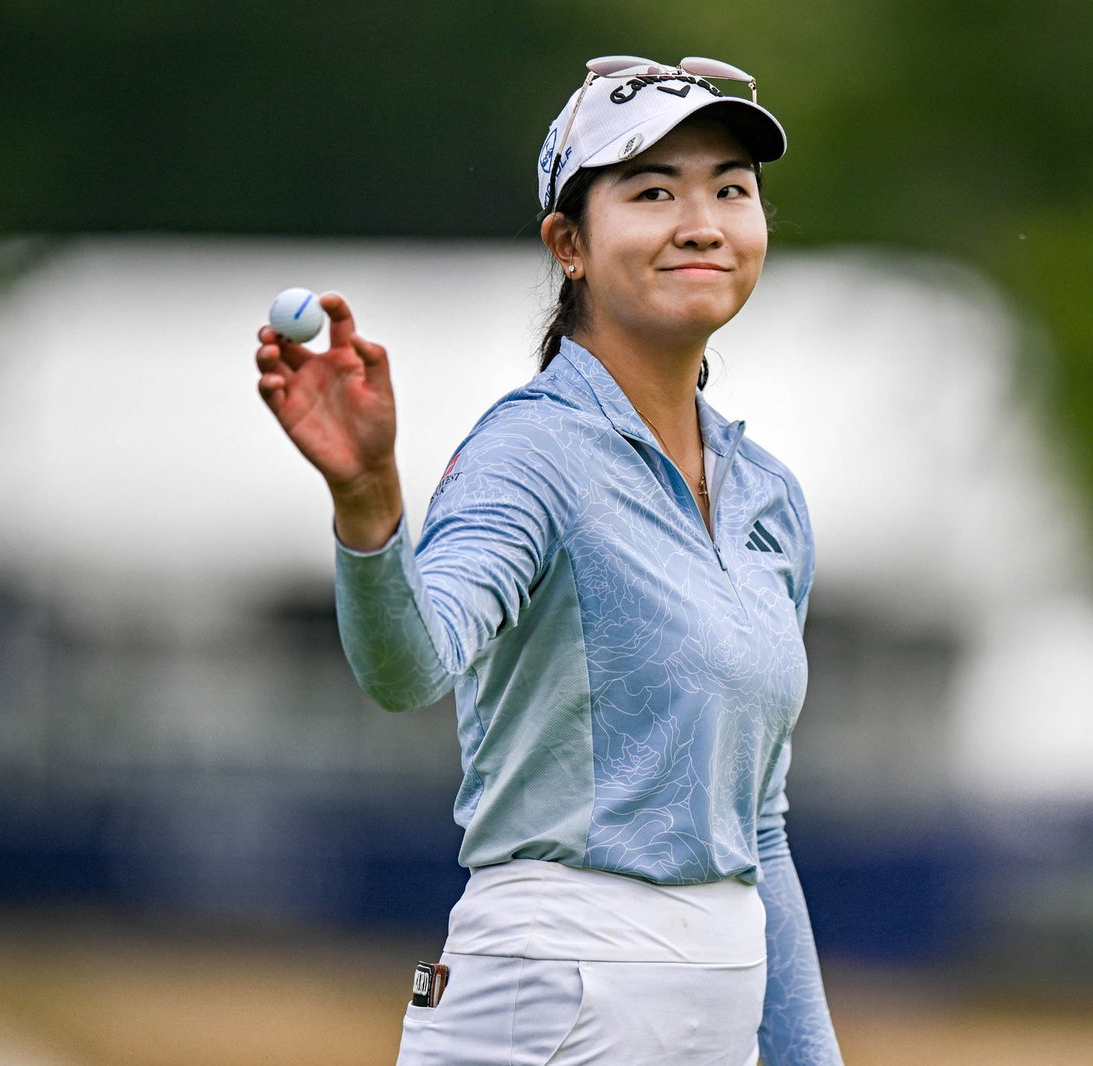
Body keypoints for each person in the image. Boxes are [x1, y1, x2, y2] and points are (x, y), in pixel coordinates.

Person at [253, 55, 843, 1066]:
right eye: (653, 191)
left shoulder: (769, 500)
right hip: (550, 1001)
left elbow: (760, 826)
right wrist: (367, 502)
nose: (701, 220)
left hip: (714, 1012)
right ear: (568, 244)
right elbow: (411, 666)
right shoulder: (530, 451)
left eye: (729, 190)